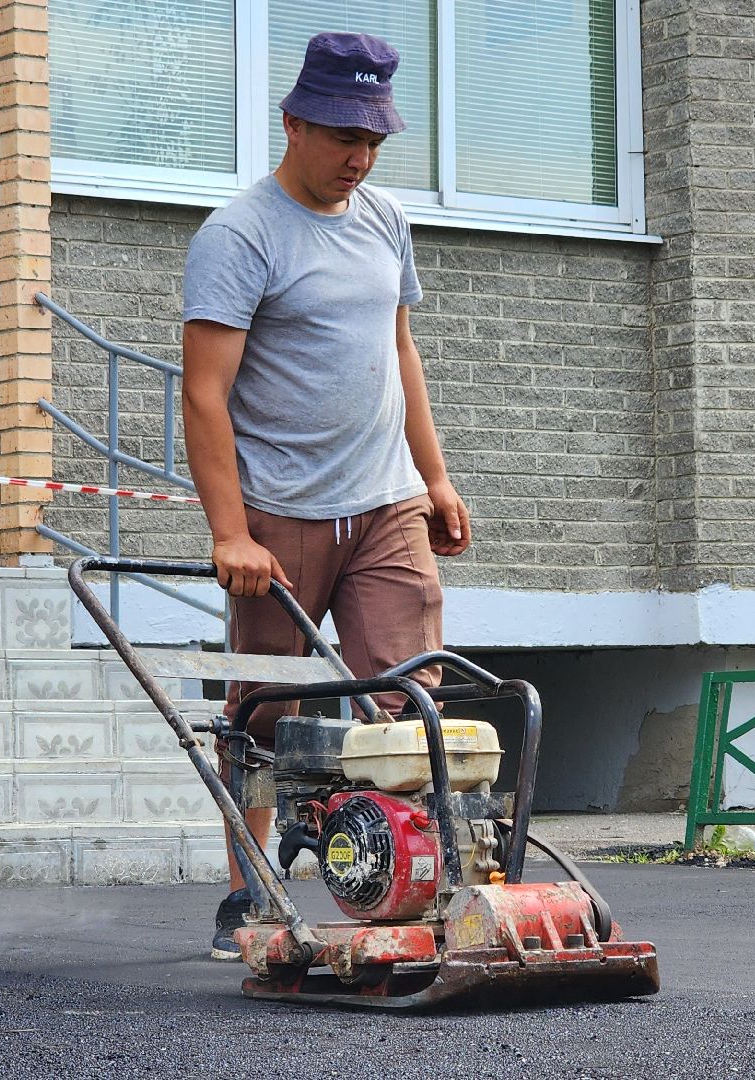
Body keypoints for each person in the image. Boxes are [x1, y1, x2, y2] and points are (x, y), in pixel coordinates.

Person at [179, 31, 471, 961]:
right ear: (294, 121)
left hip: (385, 502)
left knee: (405, 698)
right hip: (279, 520)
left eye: (375, 140)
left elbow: (402, 352)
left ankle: (410, 879)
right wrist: (230, 529)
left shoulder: (384, 219)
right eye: (344, 135)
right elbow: (203, 393)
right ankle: (252, 895)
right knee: (265, 713)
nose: (360, 157)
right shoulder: (240, 235)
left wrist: (433, 476)